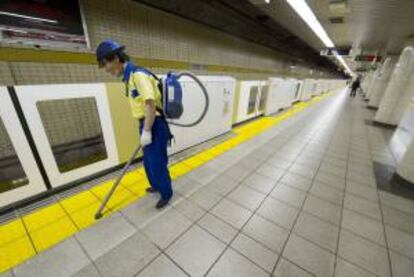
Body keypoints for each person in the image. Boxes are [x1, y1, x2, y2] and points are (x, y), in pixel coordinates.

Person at [96, 40, 173, 209]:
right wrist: (144, 129)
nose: (106, 70)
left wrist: (147, 131)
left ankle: (166, 193)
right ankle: (157, 185)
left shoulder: (138, 75)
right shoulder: (128, 77)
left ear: (115, 59)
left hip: (155, 125)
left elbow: (150, 104)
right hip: (146, 124)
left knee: (157, 162)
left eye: (106, 64)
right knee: (148, 161)